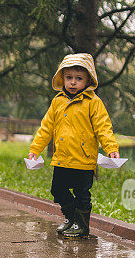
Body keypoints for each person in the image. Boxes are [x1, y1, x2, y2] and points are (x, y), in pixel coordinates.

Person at [27, 53, 120, 239]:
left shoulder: (93, 103)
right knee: (57, 190)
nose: (73, 83)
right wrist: (35, 150)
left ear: (88, 80)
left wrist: (111, 148)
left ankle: (83, 226)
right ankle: (72, 218)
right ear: (62, 78)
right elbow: (46, 128)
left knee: (82, 194)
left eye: (79, 79)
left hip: (83, 160)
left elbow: (103, 127)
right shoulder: (57, 102)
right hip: (62, 158)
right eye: (69, 78)